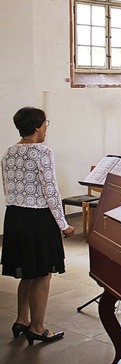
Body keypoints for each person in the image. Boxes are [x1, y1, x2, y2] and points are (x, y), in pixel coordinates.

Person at [1, 107, 74, 344]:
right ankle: (38, 327)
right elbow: (50, 190)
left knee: (27, 272)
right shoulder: (42, 152)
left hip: (14, 217)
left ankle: (22, 319)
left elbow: (7, 187)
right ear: (36, 127)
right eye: (45, 124)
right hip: (38, 219)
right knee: (43, 273)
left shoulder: (9, 153)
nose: (45, 129)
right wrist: (63, 224)